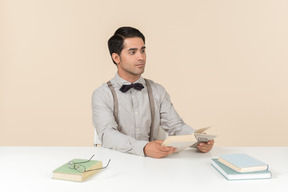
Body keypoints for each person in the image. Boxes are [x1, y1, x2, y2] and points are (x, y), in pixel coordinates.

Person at [92, 26, 214, 158]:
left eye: (142, 50)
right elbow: (107, 135)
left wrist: (199, 140)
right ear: (116, 58)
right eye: (132, 52)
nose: (141, 57)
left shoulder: (157, 91)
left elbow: (176, 127)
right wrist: (144, 148)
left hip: (152, 165)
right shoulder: (102, 94)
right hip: (116, 162)